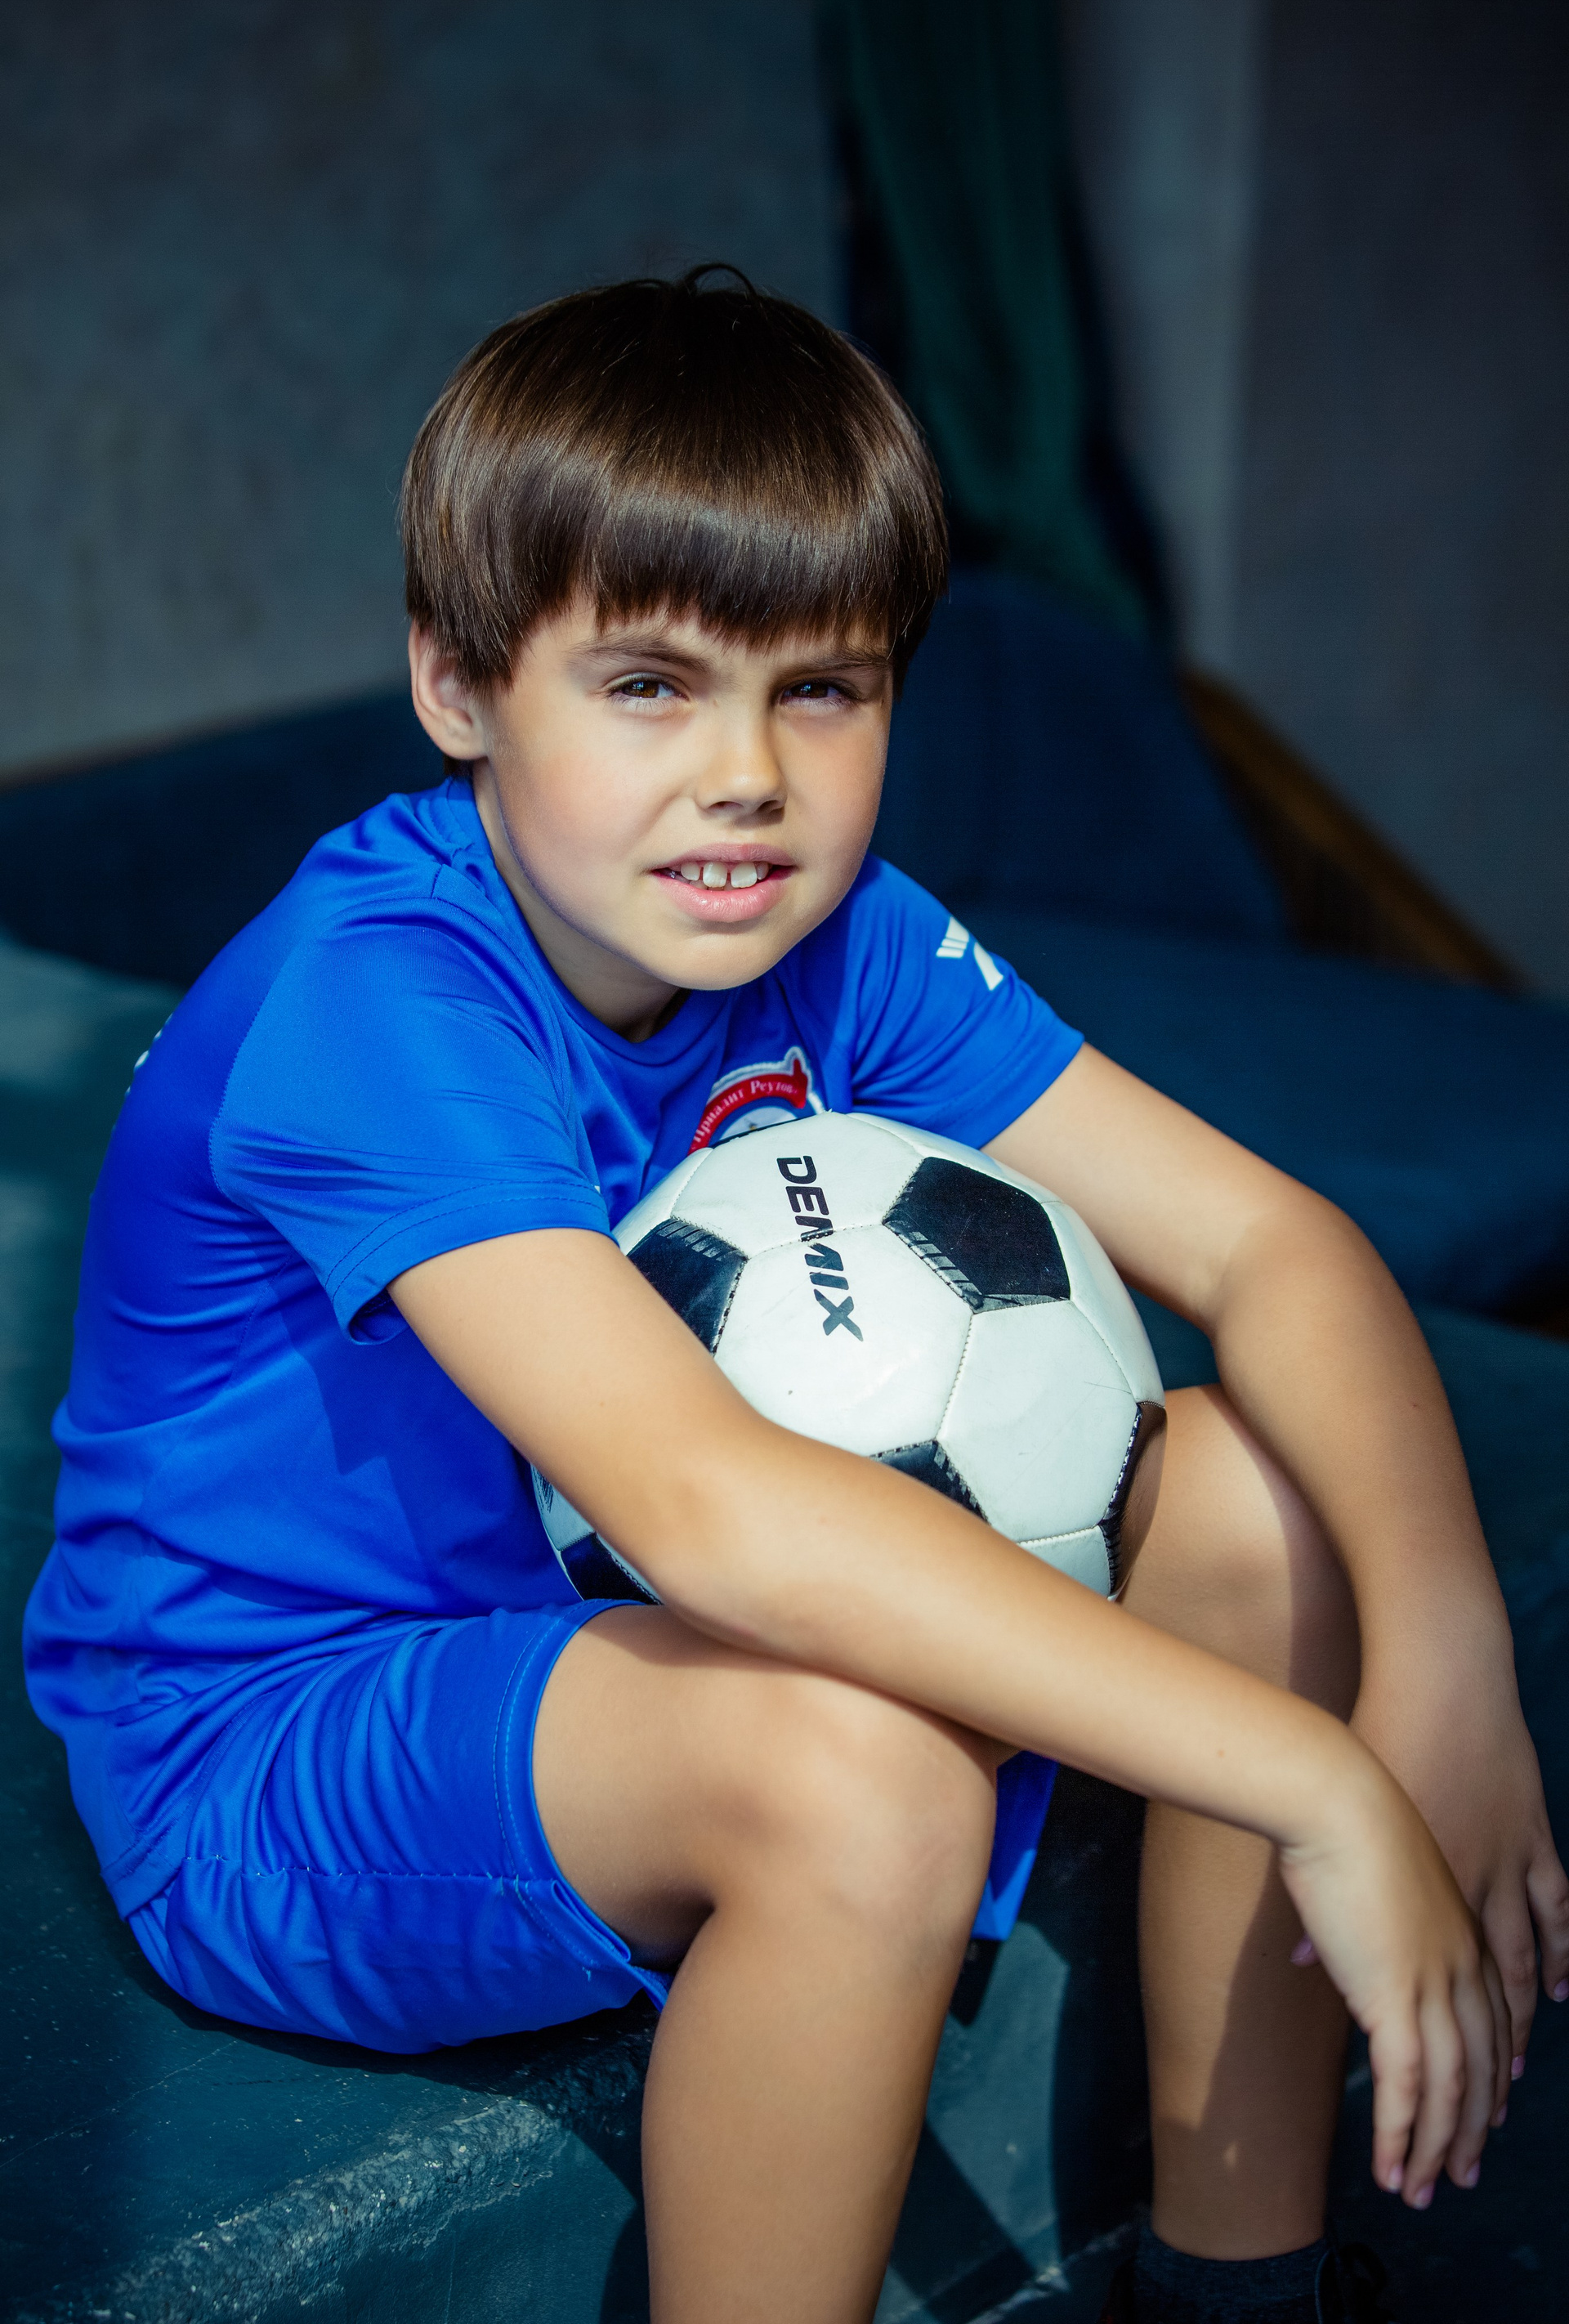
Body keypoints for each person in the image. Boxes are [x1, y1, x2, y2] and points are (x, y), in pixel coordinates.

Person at [24, 270, 1567, 2324]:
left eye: (822, 689)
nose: (745, 774)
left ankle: (1241, 2289)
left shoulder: (834, 935)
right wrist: (1316, 1777)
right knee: (865, 1776)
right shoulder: (377, 1000)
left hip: (603, 1629)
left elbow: (1270, 1246)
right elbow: (712, 1516)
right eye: (648, 686)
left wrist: (1445, 1667)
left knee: (1272, 1506)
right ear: (460, 686)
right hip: (281, 1732)